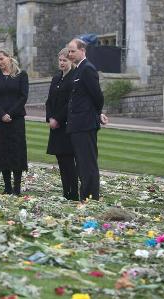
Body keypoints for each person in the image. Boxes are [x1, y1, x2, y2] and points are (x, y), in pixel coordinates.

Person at [66, 38, 106, 200]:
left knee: (87, 163)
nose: (70, 54)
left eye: (72, 51)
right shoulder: (78, 69)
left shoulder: (87, 69)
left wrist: (96, 113)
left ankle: (90, 197)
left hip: (85, 124)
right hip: (78, 124)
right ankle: (85, 196)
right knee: (82, 163)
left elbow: (98, 96)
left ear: (82, 50)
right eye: (69, 51)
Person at [0, 47, 29, 196]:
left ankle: (17, 188)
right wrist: (2, 114)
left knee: (16, 151)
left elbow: (23, 97)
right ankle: (7, 187)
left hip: (16, 120)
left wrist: (9, 113)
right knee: (2, 151)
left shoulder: (21, 75)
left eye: (2, 59)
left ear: (9, 57)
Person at [45, 48, 79, 201]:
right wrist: (49, 118)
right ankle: (66, 192)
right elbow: (49, 101)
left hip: (66, 125)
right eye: (60, 60)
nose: (62, 63)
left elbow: (70, 103)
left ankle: (73, 193)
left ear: (71, 61)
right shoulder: (56, 78)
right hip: (55, 126)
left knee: (68, 161)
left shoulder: (73, 79)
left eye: (65, 60)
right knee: (60, 160)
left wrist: (57, 119)